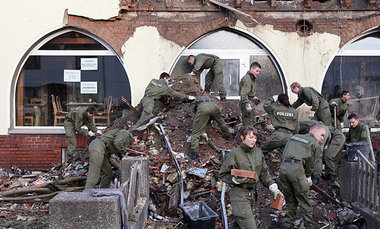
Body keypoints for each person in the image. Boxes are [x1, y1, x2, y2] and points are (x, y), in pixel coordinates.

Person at [219, 126, 283, 229]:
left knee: (239, 225)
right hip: (239, 195)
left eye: (255, 138)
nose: (253, 140)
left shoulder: (258, 152)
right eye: (250, 137)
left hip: (251, 195)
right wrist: (234, 180)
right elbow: (222, 174)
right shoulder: (234, 154)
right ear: (242, 137)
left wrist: (273, 187)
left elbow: (263, 173)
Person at [279, 124, 326, 229]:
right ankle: (309, 226)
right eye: (322, 135)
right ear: (315, 132)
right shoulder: (315, 144)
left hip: (283, 169)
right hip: (296, 170)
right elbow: (311, 163)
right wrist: (308, 176)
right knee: (304, 201)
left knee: (290, 199)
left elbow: (284, 153)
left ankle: (287, 224)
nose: (322, 139)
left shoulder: (294, 137)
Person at [189, 93, 233, 161]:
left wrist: (197, 120)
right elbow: (210, 112)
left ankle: (194, 155)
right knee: (221, 121)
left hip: (203, 109)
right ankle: (228, 136)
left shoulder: (195, 101)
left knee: (196, 133)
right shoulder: (208, 98)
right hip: (214, 107)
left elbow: (192, 111)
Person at [239, 62, 262, 126]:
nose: (258, 73)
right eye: (256, 71)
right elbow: (244, 93)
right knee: (248, 124)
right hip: (246, 103)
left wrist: (253, 97)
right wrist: (247, 104)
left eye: (259, 71)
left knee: (252, 121)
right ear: (251, 69)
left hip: (249, 102)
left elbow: (249, 92)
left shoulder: (252, 78)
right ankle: (244, 135)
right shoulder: (248, 78)